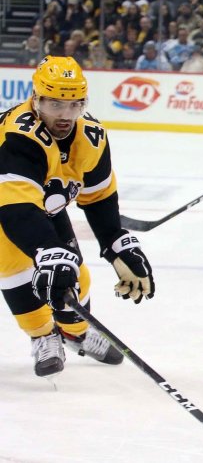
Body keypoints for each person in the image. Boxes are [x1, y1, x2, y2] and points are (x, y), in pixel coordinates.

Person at [0, 56, 155, 378]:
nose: (66, 115)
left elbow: (98, 197)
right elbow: (16, 209)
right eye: (56, 104)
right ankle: (43, 335)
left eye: (75, 104)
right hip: (7, 210)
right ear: (36, 99)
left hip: (42, 205)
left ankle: (75, 331)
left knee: (72, 274)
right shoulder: (19, 136)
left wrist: (115, 244)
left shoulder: (91, 136)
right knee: (15, 271)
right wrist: (46, 250)